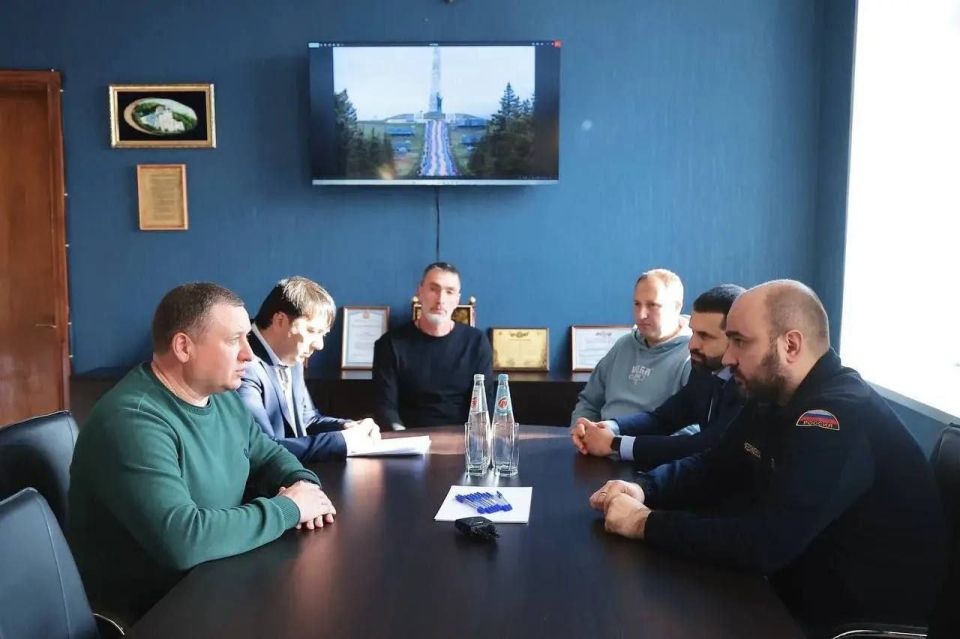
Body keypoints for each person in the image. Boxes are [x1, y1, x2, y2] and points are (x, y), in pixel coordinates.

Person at [588, 280, 947, 630]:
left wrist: (644, 523)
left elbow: (766, 542)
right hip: (798, 579)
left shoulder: (834, 417)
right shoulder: (774, 395)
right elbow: (715, 465)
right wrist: (644, 488)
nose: (727, 358)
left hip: (849, 614)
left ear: (790, 345)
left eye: (740, 342)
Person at [69, 283, 337, 625]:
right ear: (184, 347)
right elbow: (183, 540)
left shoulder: (222, 398)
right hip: (155, 612)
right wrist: (290, 508)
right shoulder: (132, 421)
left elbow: (268, 455)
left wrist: (303, 484)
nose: (249, 354)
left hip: (216, 580)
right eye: (234, 340)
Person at [571, 284, 745, 468]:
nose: (692, 345)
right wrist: (609, 427)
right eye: (693, 332)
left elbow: (704, 445)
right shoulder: (705, 369)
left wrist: (615, 444)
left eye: (704, 336)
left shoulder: (748, 385)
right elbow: (663, 418)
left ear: (736, 339)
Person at [239, 277, 380, 462]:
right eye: (312, 331)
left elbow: (308, 420)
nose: (319, 345)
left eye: (323, 334)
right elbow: (263, 448)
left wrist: (349, 427)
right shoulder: (243, 364)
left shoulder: (292, 353)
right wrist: (343, 441)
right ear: (280, 320)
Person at [373, 262, 492, 429]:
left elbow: (484, 405)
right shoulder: (390, 344)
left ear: (457, 299)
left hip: (463, 437)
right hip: (409, 437)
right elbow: (385, 407)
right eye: (433, 289)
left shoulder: (477, 343)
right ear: (419, 291)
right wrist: (402, 438)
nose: (440, 300)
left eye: (449, 292)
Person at [570, 268, 692, 425]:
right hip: (601, 437)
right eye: (637, 304)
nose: (641, 315)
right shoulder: (623, 345)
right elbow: (589, 403)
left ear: (676, 307)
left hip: (647, 441)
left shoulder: (691, 356)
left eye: (652, 305)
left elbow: (693, 428)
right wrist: (581, 428)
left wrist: (622, 438)